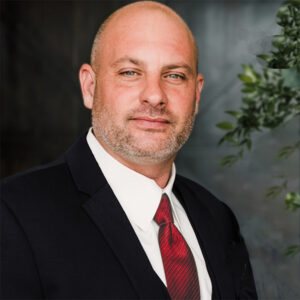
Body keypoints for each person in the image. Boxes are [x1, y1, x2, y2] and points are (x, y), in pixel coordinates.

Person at [1, 1, 257, 299]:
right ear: (89, 86)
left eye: (174, 75)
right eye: (130, 72)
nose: (154, 96)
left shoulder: (218, 219)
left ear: (197, 95)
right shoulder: (13, 215)